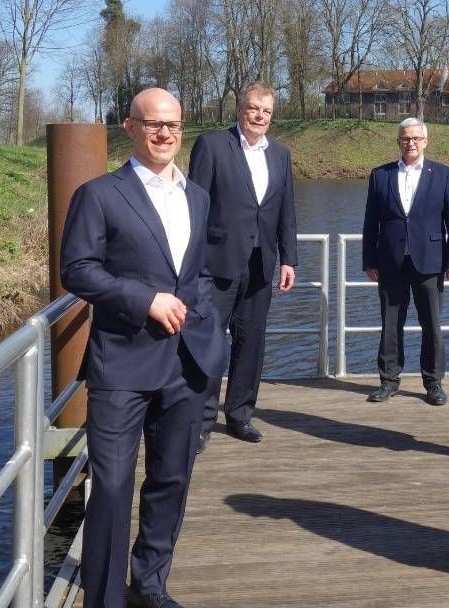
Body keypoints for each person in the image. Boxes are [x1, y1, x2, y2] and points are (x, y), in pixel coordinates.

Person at [61, 88, 226, 608]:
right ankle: (104, 598)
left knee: (171, 480)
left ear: (183, 128)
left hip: (186, 362)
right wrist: (145, 300)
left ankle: (149, 585)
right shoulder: (100, 194)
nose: (164, 134)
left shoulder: (197, 196)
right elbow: (77, 270)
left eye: (173, 125)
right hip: (122, 363)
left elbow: (197, 273)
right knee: (111, 488)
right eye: (153, 124)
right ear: (130, 127)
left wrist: (208, 329)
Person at [188, 81, 297, 451]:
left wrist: (289, 259)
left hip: (261, 263)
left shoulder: (280, 154)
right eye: (253, 108)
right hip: (215, 262)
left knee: (251, 344)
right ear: (240, 109)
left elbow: (286, 211)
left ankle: (239, 415)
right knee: (209, 343)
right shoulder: (213, 145)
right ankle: (200, 422)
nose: (259, 116)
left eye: (266, 111)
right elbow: (194, 206)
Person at [361, 117, 449, 405]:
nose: (411, 143)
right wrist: (369, 259)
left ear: (426, 141)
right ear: (398, 142)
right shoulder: (380, 175)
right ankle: (389, 380)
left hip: (430, 261)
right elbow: (371, 222)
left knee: (431, 324)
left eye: (416, 138)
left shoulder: (442, 174)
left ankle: (433, 383)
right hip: (390, 260)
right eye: (405, 138)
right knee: (390, 323)